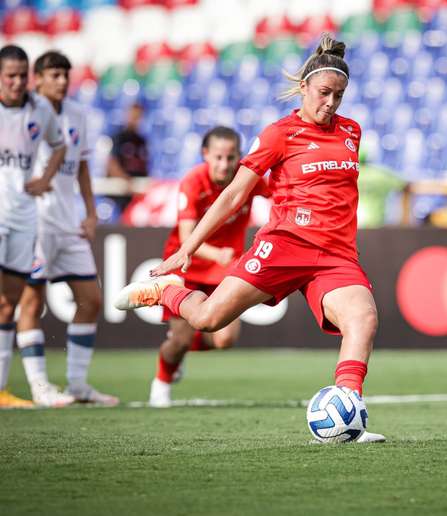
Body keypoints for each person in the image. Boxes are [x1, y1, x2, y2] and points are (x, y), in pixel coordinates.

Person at [114, 34, 384, 442]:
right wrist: (186, 250)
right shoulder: (280, 134)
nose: (331, 103)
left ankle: (348, 415)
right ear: (305, 87)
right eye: (325, 93)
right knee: (208, 320)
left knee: (362, 319)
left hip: (336, 254)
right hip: (285, 245)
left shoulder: (352, 132)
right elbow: (234, 194)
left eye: (339, 96)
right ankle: (165, 292)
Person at [13, 51, 118, 407]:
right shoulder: (24, 113)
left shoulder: (77, 114)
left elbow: (83, 166)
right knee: (32, 300)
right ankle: (40, 386)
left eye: (65, 75)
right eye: (54, 75)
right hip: (34, 222)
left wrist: (90, 212)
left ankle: (77, 385)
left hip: (67, 221)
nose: (61, 81)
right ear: (37, 79)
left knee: (91, 300)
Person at [149, 126, 271, 408]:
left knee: (225, 338)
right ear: (205, 154)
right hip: (186, 266)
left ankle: (179, 352)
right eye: (218, 157)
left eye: (230, 158)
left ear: (238, 156)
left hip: (224, 270)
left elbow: (279, 192)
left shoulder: (247, 179)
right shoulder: (193, 181)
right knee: (179, 339)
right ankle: (161, 384)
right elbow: (185, 238)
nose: (224, 164)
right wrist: (218, 254)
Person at [0, 45, 67, 408]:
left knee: (8, 304)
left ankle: (1, 391)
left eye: (20, 75)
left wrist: (45, 178)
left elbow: (59, 146)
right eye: (8, 75)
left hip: (24, 215)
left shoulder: (39, 108)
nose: (15, 82)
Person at [106, 102, 149, 212]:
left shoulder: (141, 141)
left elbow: (144, 166)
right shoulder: (118, 138)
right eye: (133, 116)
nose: (135, 120)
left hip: (135, 192)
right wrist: (125, 179)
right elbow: (111, 164)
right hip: (119, 192)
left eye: (138, 117)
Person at [357, 149, 407, 228]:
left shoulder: (345, 174)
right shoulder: (380, 174)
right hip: (376, 223)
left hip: (351, 223)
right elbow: (405, 186)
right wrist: (404, 220)